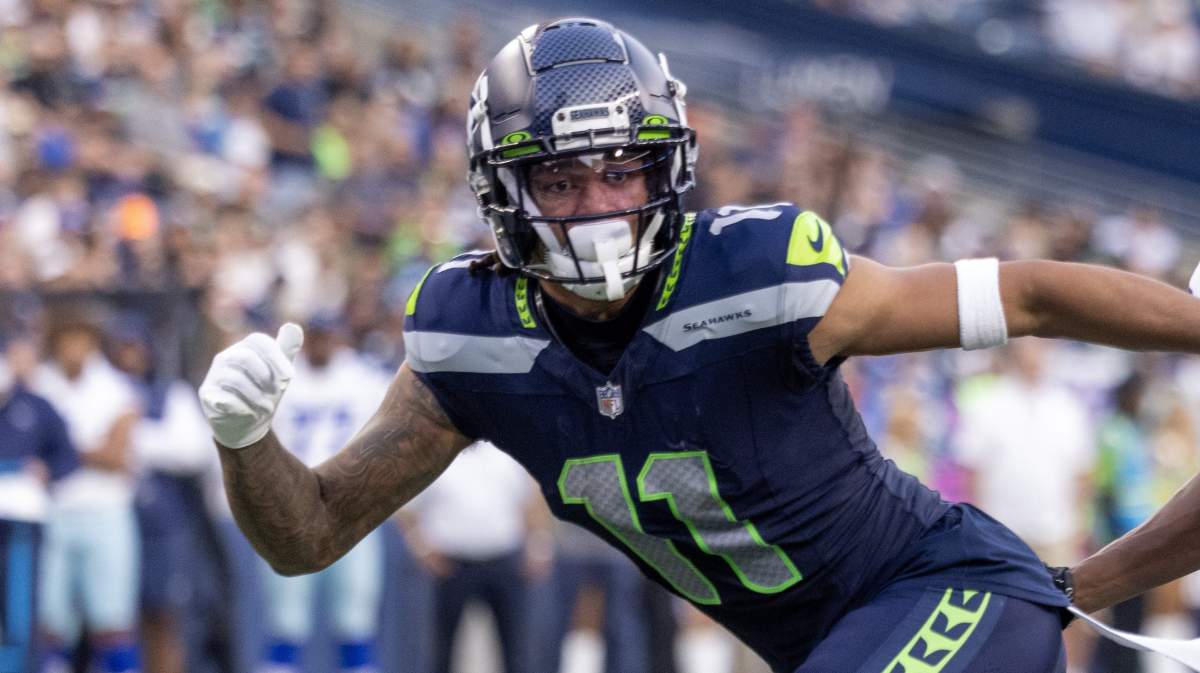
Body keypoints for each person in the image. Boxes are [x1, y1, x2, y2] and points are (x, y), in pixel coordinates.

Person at [198, 18, 1200, 673]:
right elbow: (307, 534)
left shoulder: (761, 274)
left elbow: (1027, 296)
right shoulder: (473, 337)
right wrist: (246, 440)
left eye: (622, 171)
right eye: (561, 181)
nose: (598, 206)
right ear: (503, 190)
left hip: (942, 590)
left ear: (666, 170)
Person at [255, 316, 390, 673]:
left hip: (350, 506)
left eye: (326, 335)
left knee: (356, 623)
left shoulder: (363, 377)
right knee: (285, 624)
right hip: (291, 509)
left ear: (338, 337)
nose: (320, 343)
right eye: (314, 336)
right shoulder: (281, 377)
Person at [32, 311, 142, 673]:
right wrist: (89, 448)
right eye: (66, 338)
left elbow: (116, 456)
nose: (73, 347)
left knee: (111, 621)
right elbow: (29, 445)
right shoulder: (41, 383)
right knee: (52, 622)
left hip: (106, 511)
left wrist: (62, 449)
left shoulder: (114, 386)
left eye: (81, 338)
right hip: (54, 510)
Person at [0, 332, 79, 673]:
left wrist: (46, 471)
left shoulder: (35, 406)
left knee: (18, 608)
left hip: (19, 519)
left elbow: (67, 456)